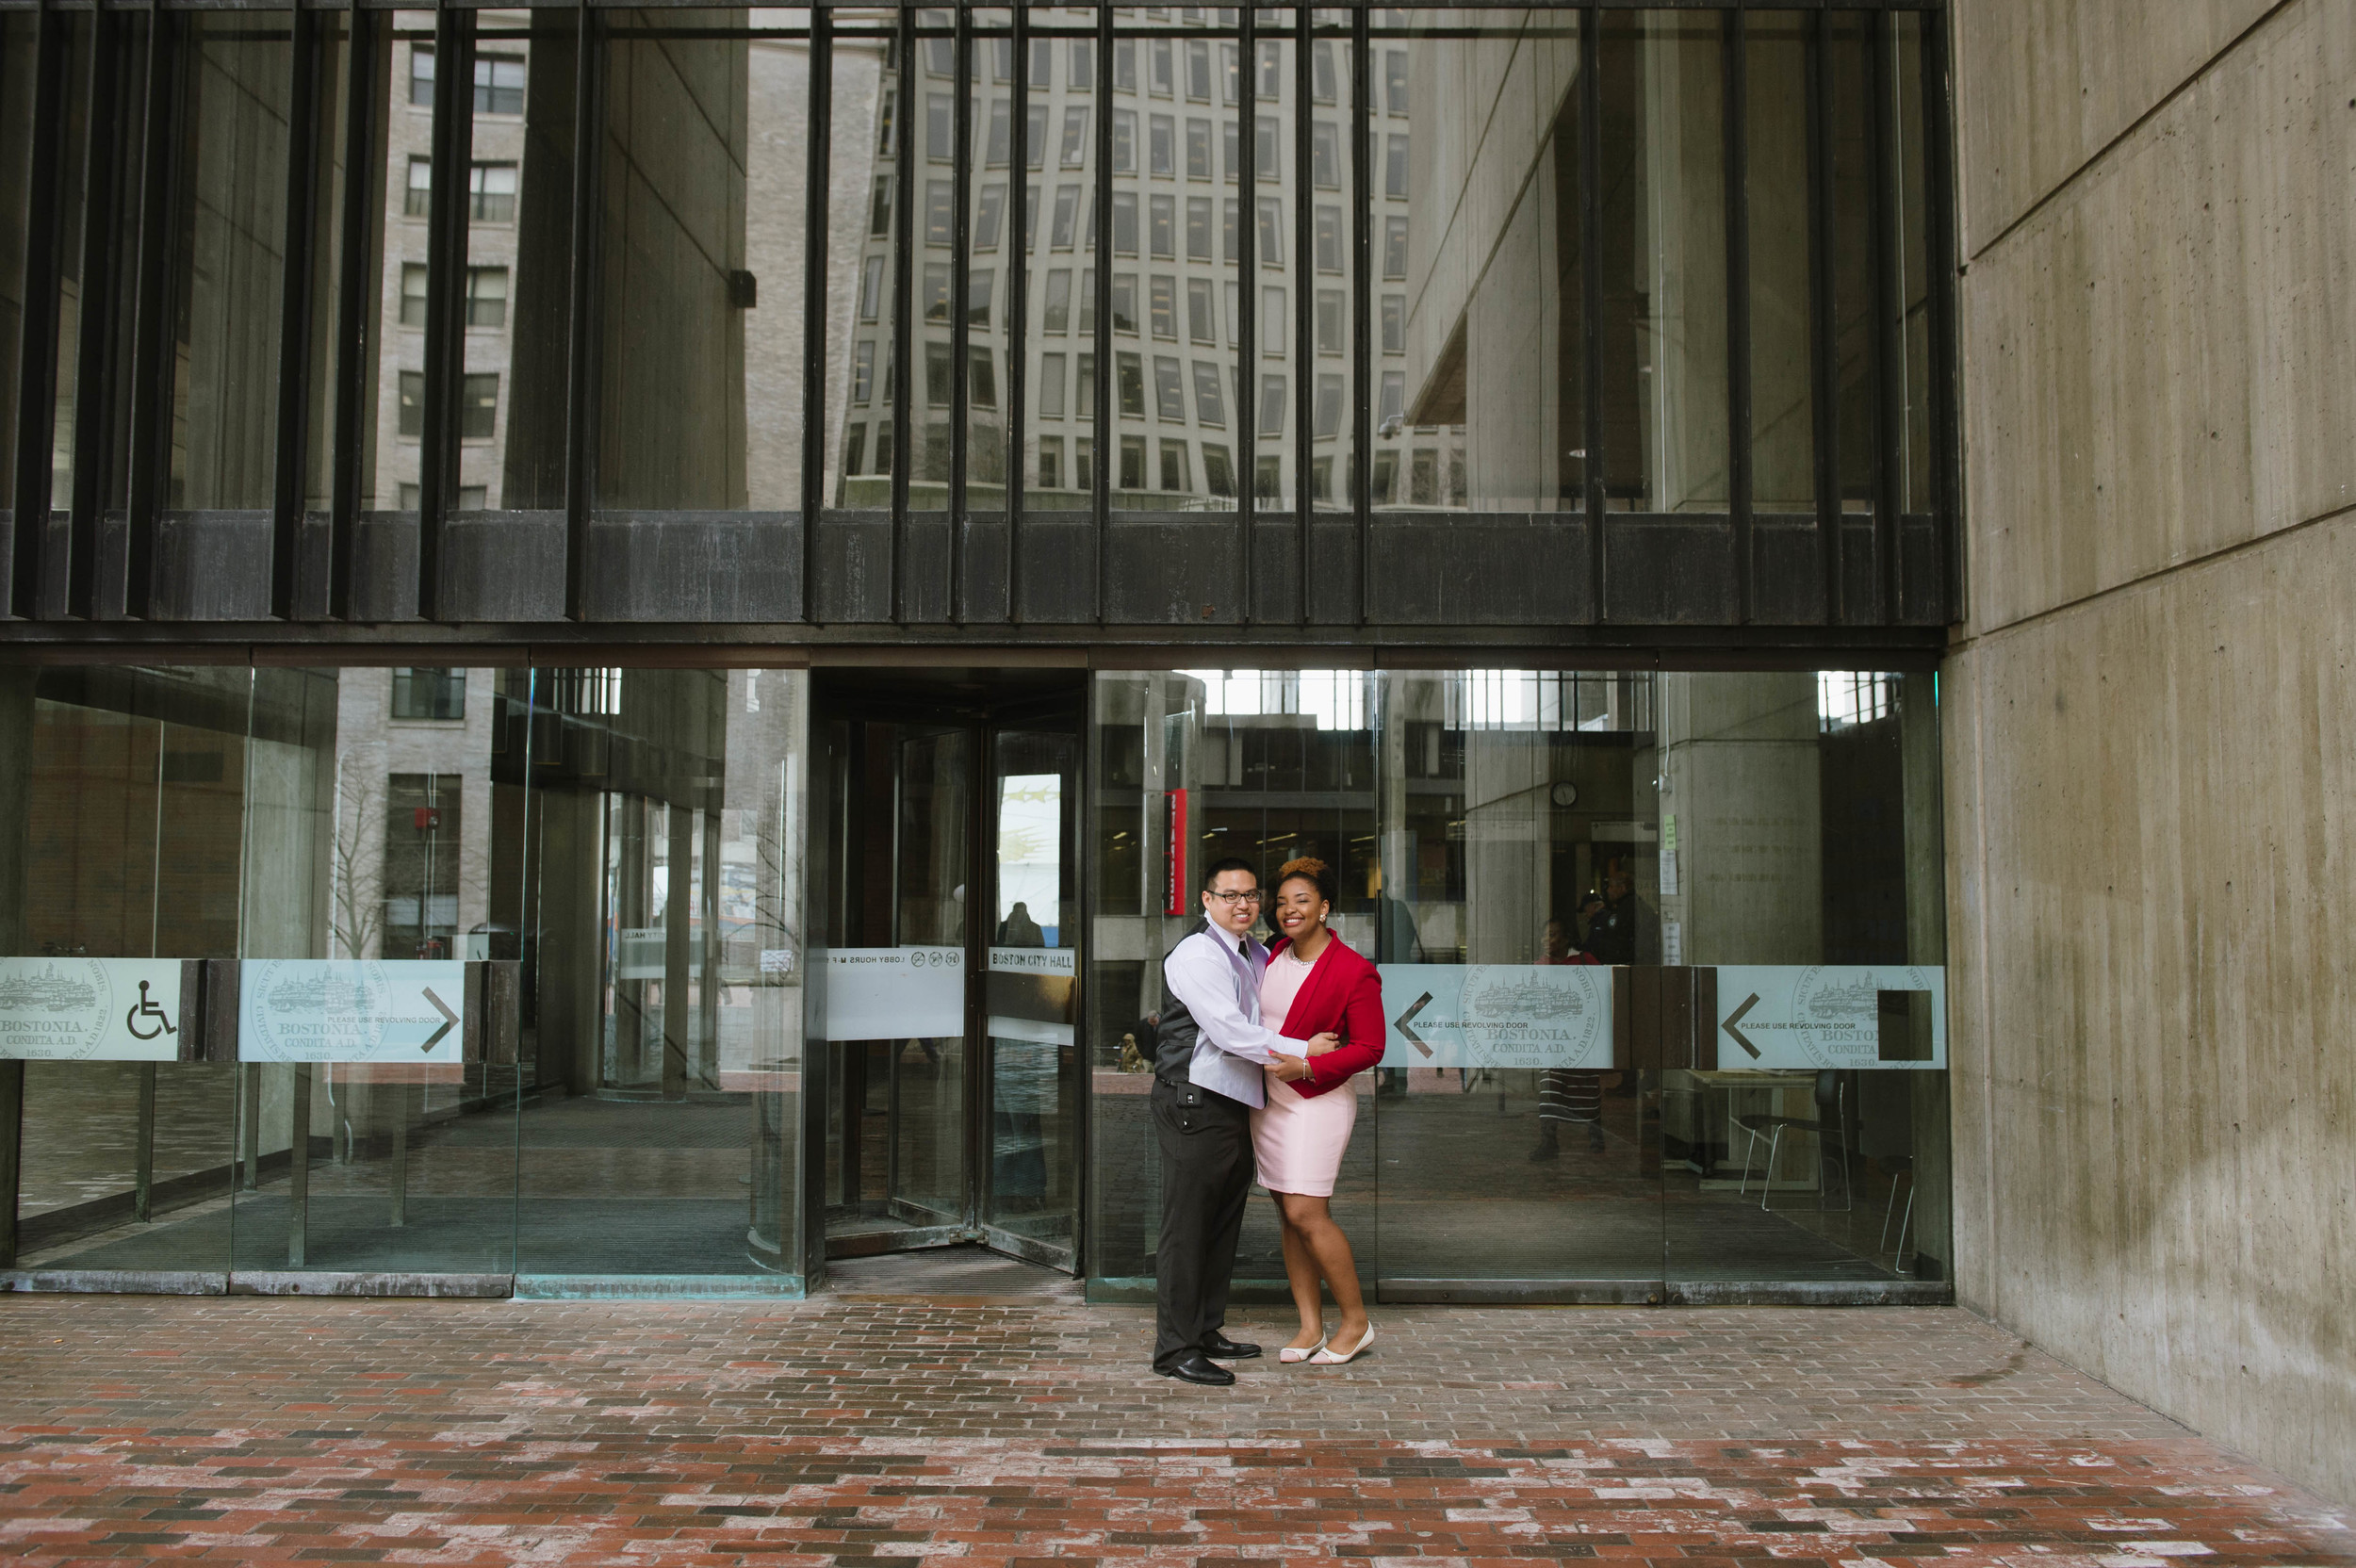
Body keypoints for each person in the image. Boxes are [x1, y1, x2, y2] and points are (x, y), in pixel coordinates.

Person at [1152, 858, 1339, 1386]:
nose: (1243, 904)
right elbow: (1232, 1032)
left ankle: (1206, 1328)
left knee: (1220, 1224)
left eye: (1252, 895)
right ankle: (1175, 1349)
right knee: (1186, 1230)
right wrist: (1304, 1049)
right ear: (1206, 901)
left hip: (1233, 1102)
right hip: (1194, 1101)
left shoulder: (1253, 951)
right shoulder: (1196, 954)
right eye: (1230, 895)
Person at [1252, 857, 1386, 1365]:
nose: (1289, 910)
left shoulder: (1355, 970)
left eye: (1302, 900)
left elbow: (1371, 1048)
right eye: (1282, 901)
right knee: (1289, 1217)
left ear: (1325, 907)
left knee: (1309, 1211)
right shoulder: (1268, 956)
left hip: (1317, 1100)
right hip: (1269, 1102)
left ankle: (1356, 1322)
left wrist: (1308, 1066)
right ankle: (1309, 1326)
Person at [1530, 918, 1606, 1160]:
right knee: (1550, 1087)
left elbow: (1602, 993)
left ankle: (1596, 1133)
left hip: (1582, 1036)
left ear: (1565, 939)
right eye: (1544, 936)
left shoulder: (1586, 961)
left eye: (1552, 935)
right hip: (1551, 1038)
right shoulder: (1540, 965)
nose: (1546, 940)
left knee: (1586, 1087)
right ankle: (1549, 1140)